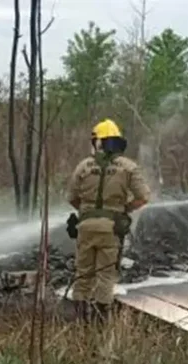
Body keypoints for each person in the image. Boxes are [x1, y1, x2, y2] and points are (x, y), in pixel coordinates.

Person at [66, 119, 151, 323]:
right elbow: (143, 197)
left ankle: (80, 322)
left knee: (83, 274)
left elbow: (71, 197)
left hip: (85, 228)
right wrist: (124, 209)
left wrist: (87, 212)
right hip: (111, 229)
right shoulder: (128, 167)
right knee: (105, 275)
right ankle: (100, 323)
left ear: (98, 142)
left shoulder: (84, 166)